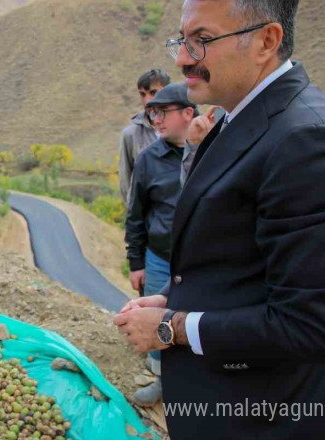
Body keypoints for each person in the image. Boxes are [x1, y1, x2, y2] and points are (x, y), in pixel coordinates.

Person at [112, 0, 325, 439]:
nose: (182, 58)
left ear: (266, 41)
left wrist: (170, 328)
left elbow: (307, 327)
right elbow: (242, 268)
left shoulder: (310, 141)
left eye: (201, 41)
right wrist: (172, 300)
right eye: (182, 40)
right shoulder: (241, 119)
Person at [124, 83, 199, 405]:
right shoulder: (148, 159)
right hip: (159, 259)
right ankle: (162, 381)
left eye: (161, 112)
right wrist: (136, 262)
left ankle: (198, 384)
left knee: (197, 321)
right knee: (158, 323)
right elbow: (136, 214)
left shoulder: (214, 152)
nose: (154, 120)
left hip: (199, 261)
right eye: (151, 113)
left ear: (188, 113)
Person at [118, 69, 171, 206]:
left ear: (168, 91)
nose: (147, 100)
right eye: (142, 94)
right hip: (144, 216)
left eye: (153, 93)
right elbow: (125, 181)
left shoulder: (184, 128)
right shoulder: (130, 134)